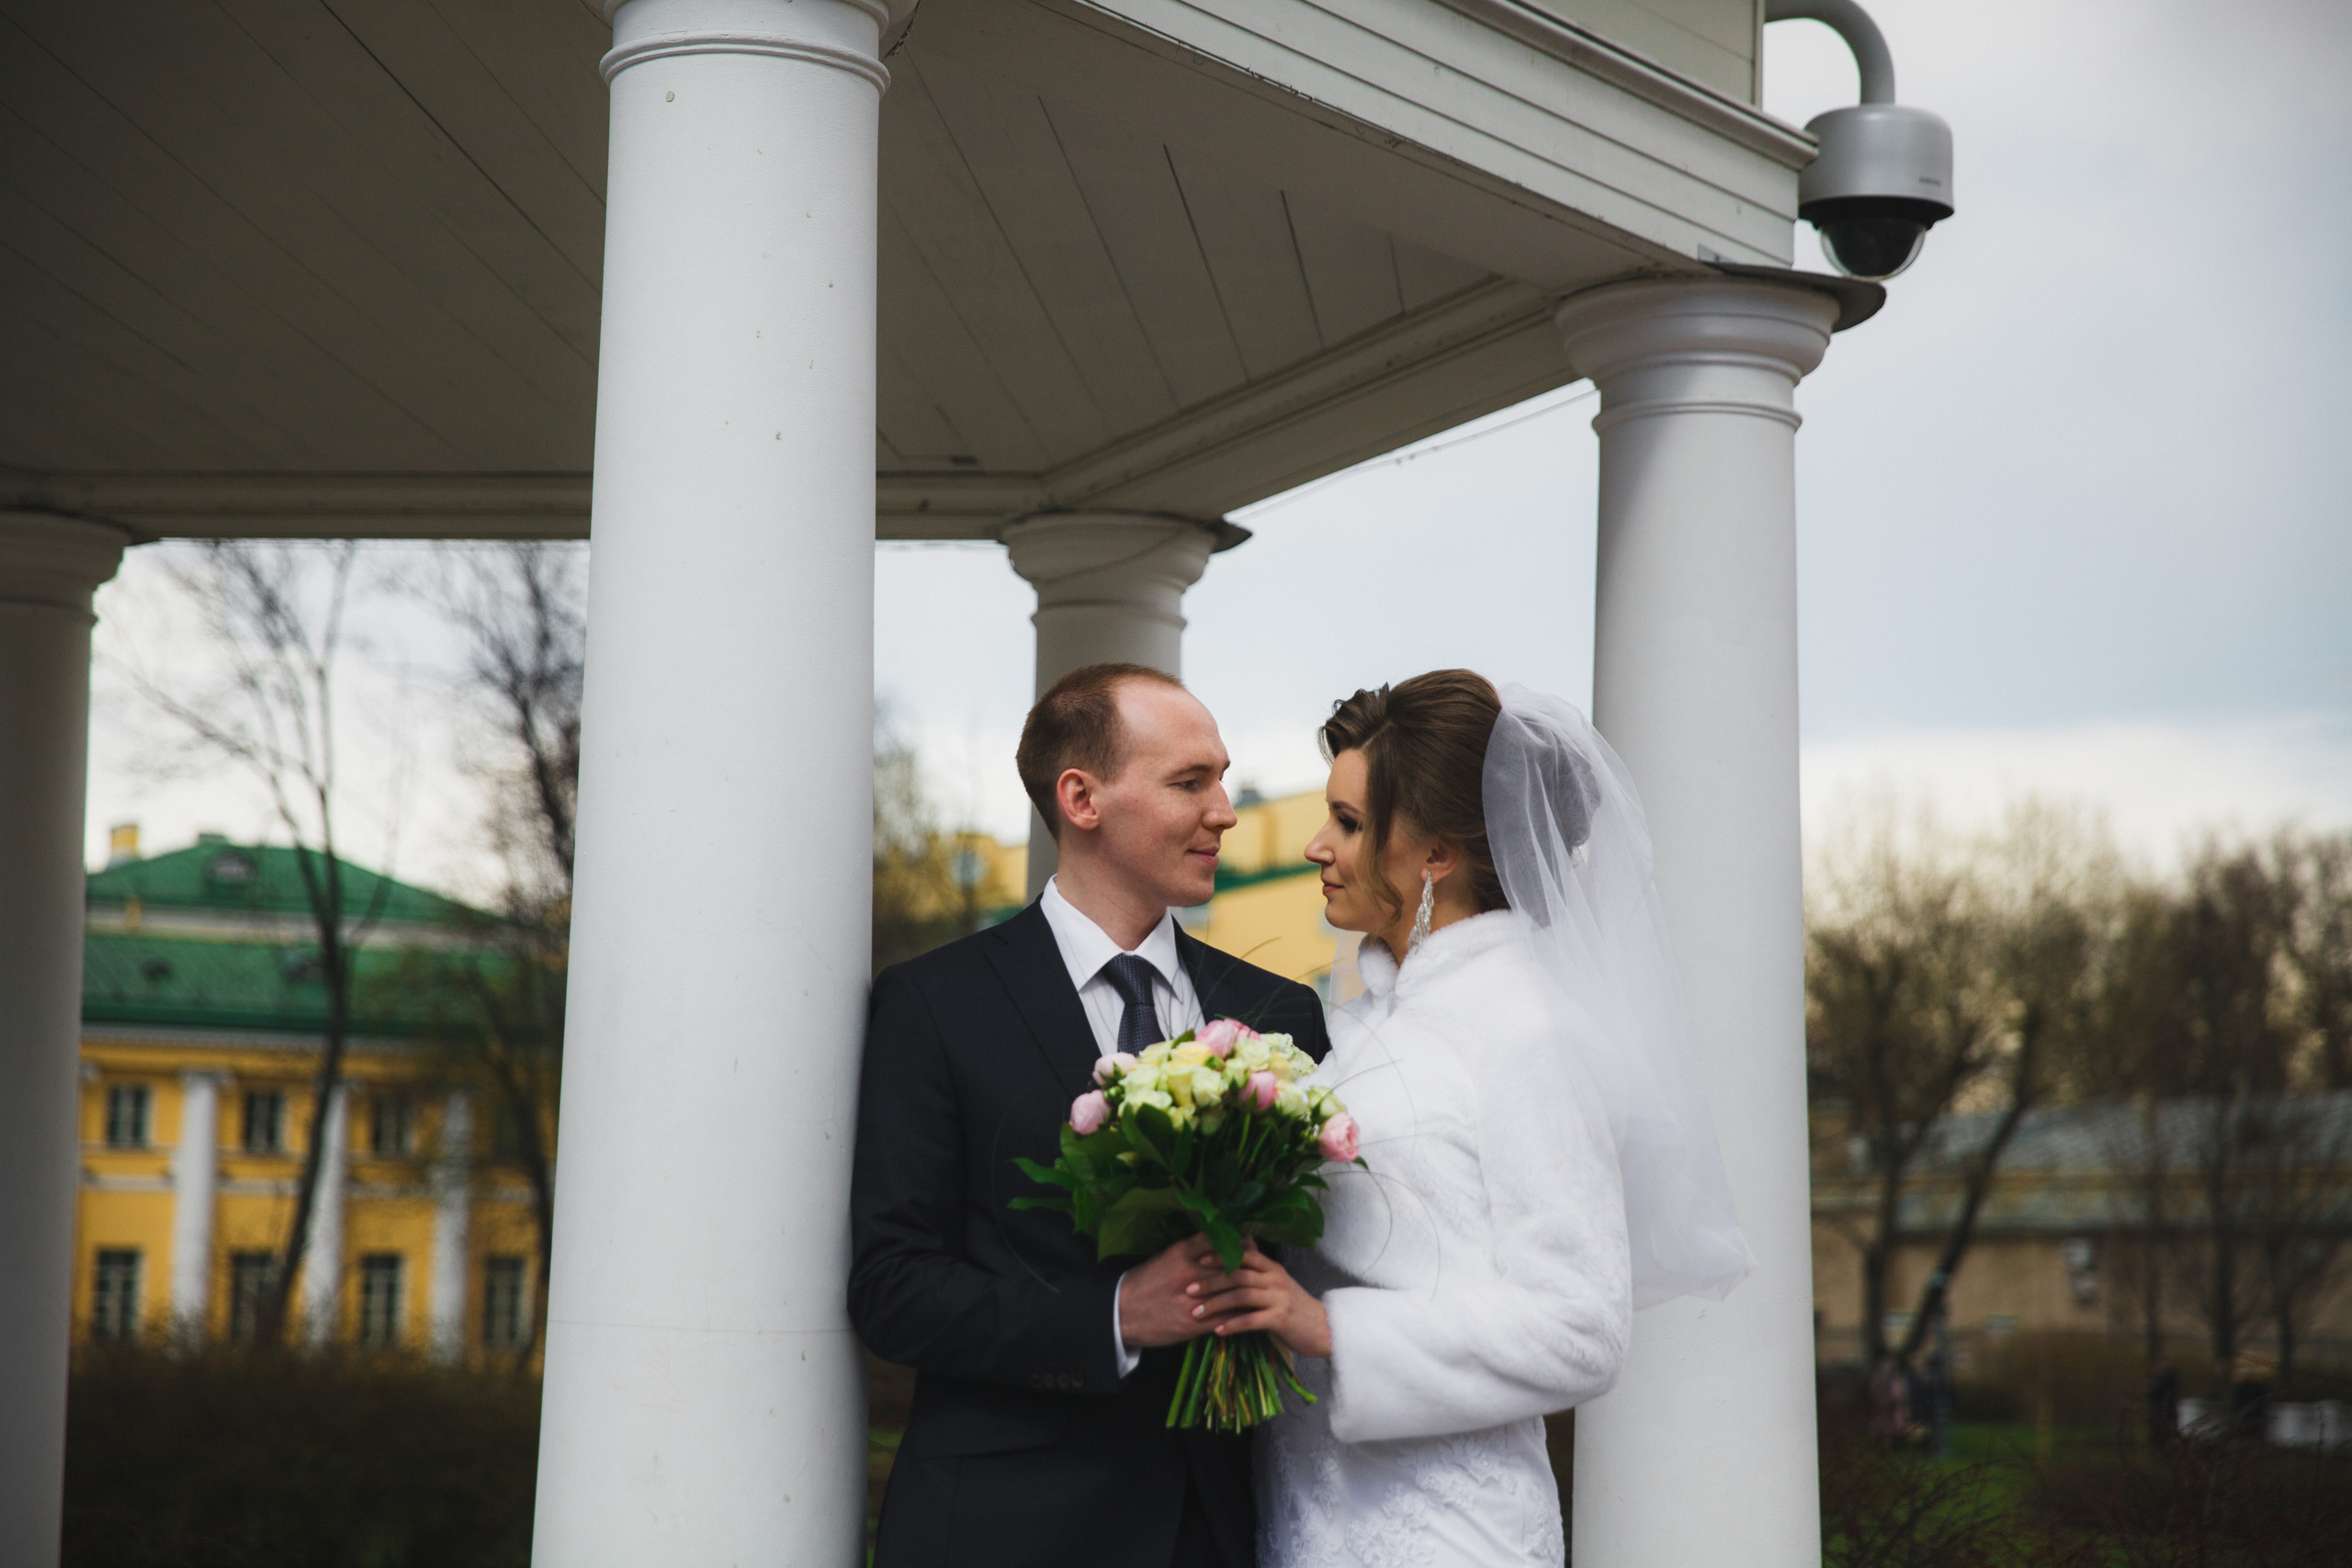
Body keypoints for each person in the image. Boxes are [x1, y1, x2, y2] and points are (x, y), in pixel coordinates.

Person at [1178, 671, 1751, 1567]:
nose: (1316, 847)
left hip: (1450, 1532)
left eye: (1351, 824)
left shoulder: (1529, 1031)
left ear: (1438, 853)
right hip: (1309, 1517)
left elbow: (1581, 1329)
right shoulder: (1372, 1022)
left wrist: (1330, 1332)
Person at [849, 662, 1332, 1568]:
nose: (1224, 810)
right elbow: (894, 1288)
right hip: (1002, 1529)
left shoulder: (1281, 1014)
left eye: (1223, 779)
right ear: (1081, 797)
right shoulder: (933, 1006)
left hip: (1218, 1525)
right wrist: (1114, 1315)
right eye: (1190, 782)